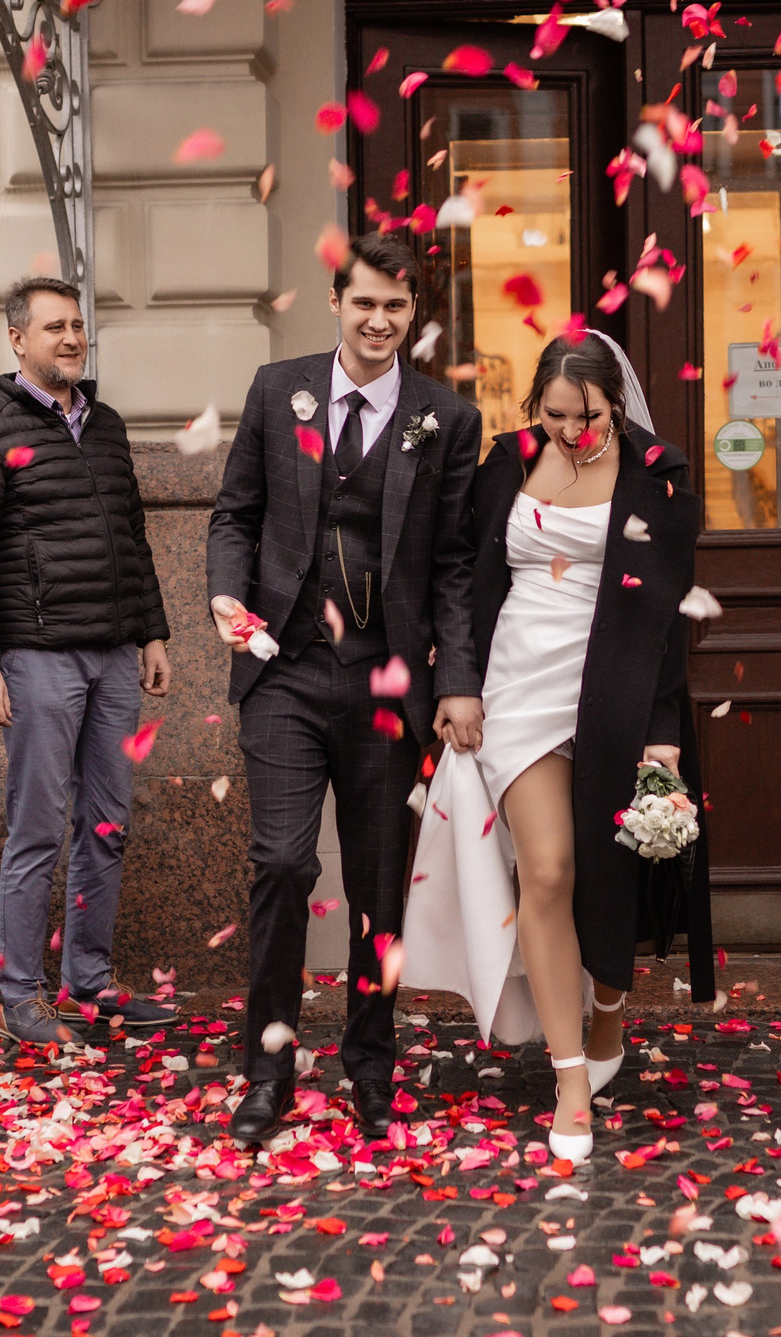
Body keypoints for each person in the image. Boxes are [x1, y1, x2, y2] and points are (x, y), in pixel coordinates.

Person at [206, 231, 484, 1146]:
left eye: (396, 306)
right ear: (336, 301)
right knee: (283, 864)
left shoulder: (447, 417)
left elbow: (454, 562)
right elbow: (235, 515)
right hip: (284, 669)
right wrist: (225, 593)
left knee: (378, 885)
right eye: (364, 302)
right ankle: (268, 1070)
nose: (378, 320)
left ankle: (370, 1062)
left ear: (414, 313)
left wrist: (458, 680)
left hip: (388, 679)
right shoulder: (275, 388)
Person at [402, 333, 708, 1162]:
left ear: (617, 404)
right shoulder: (505, 462)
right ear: (534, 403)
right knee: (546, 870)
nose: (573, 432)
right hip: (517, 687)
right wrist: (457, 682)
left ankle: (608, 1012)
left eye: (590, 417)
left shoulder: (661, 473)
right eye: (556, 414)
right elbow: (461, 575)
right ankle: (571, 1081)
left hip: (617, 689)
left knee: (612, 875)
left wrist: (663, 730)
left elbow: (672, 612)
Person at [0, 276, 171, 1047]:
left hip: (114, 655)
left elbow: (132, 535)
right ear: (17, 339)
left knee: (107, 824)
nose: (72, 338)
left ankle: (88, 984)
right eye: (54, 327)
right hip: (36, 657)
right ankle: (21, 996)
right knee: (37, 830)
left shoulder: (104, 425)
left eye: (77, 325)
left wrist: (152, 632)